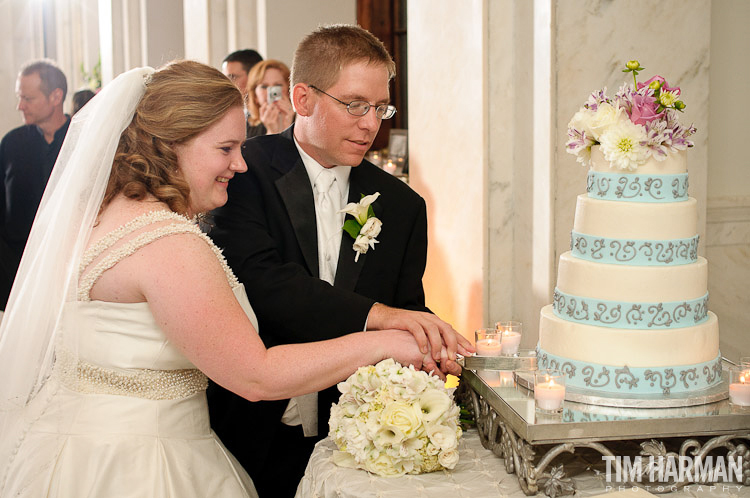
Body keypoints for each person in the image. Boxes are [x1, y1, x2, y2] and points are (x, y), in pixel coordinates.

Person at [0, 60, 437, 497]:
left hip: (68, 455)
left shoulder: (91, 219)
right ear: (170, 145)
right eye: (226, 148)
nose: (241, 165)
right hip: (145, 467)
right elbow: (255, 376)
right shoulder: (167, 242)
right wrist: (383, 340)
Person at [207, 25, 474, 497]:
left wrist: (438, 344)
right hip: (249, 428)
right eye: (355, 105)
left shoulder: (401, 205)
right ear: (303, 99)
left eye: (380, 108)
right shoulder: (242, 171)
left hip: (355, 438)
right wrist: (383, 318)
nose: (371, 124)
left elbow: (406, 306)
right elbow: (265, 284)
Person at [0, 59, 69, 310]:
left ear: (55, 96)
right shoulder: (11, 143)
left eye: (28, 99)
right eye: (20, 98)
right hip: (17, 276)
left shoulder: (83, 140)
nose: (20, 106)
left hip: (70, 274)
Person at [245, 59, 296, 138]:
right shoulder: (246, 128)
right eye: (264, 86)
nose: (271, 92)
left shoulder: (302, 122)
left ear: (289, 91)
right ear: (255, 96)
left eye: (278, 85)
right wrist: (272, 132)